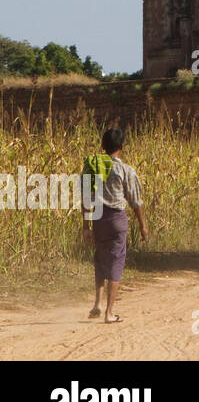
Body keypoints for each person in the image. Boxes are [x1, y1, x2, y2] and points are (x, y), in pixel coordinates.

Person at [82, 127, 147, 324]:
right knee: (116, 263)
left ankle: (97, 304)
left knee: (101, 259)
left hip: (98, 219)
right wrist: (143, 225)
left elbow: (86, 198)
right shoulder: (125, 170)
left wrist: (86, 226)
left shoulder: (92, 167)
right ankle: (109, 313)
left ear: (103, 146)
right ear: (121, 147)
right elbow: (135, 200)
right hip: (117, 219)